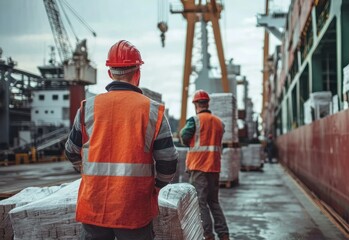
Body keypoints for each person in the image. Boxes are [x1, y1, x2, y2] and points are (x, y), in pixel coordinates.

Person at [65, 40, 178, 240]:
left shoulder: (87, 108)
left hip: (94, 205)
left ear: (109, 73)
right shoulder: (152, 111)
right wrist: (156, 187)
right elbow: (168, 161)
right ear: (138, 73)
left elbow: (71, 150)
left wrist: (87, 173)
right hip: (134, 208)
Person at [180, 90, 230, 240]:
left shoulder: (194, 121)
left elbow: (184, 136)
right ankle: (224, 234)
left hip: (199, 167)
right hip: (214, 167)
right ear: (207, 103)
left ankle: (207, 235)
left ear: (196, 104)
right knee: (214, 202)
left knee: (200, 203)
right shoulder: (219, 123)